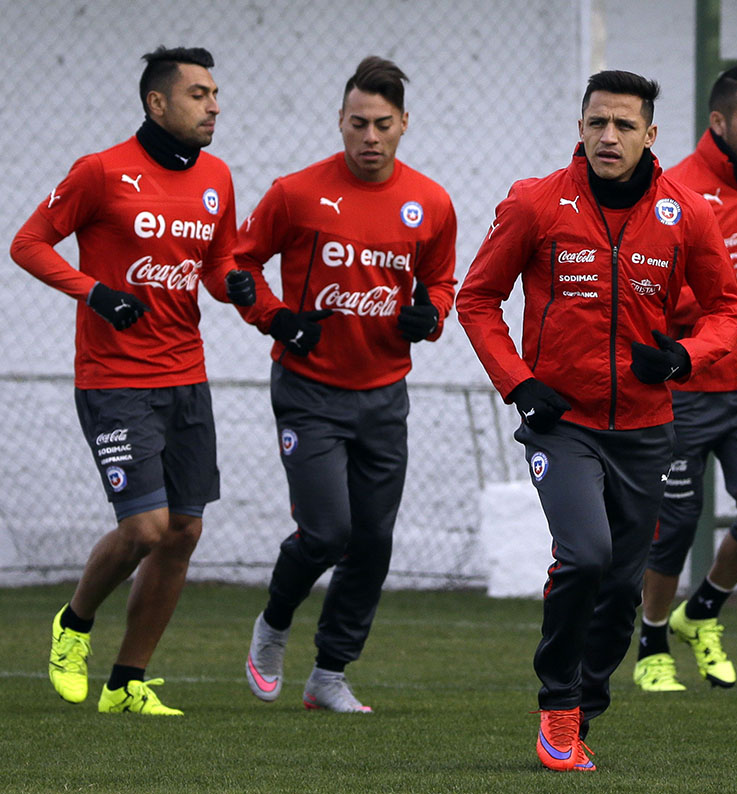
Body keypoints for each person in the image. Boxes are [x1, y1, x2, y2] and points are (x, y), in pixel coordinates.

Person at [457, 69, 737, 772]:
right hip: (563, 424)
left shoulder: (688, 214)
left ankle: (587, 705)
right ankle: (557, 706)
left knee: (621, 584)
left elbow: (728, 312)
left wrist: (682, 356)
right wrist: (520, 385)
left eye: (623, 125)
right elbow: (477, 300)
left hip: (646, 430)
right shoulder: (535, 204)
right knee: (583, 555)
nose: (607, 136)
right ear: (580, 128)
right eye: (597, 123)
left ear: (652, 135)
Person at [9, 46, 256, 715]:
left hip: (187, 375)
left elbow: (215, 262)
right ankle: (74, 625)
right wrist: (95, 294)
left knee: (183, 532)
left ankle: (126, 683)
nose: (214, 106)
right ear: (158, 103)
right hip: (114, 378)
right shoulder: (101, 172)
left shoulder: (217, 178)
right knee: (144, 528)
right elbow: (27, 243)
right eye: (199, 94)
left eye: (214, 93)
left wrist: (233, 284)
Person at [236, 56, 457, 713]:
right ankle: (273, 625)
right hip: (308, 388)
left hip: (385, 393)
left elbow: (442, 280)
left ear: (403, 125)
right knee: (328, 531)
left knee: (374, 541)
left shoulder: (432, 202)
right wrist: (274, 317)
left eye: (381, 124)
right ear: (339, 121)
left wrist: (433, 313)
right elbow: (241, 262)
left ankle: (329, 674)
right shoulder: (295, 193)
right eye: (357, 123)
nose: (368, 136)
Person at [632, 65, 737, 693]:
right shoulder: (675, 190)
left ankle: (699, 614)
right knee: (671, 527)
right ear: (719, 122)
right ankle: (650, 645)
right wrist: (726, 302)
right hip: (685, 390)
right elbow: (652, 299)